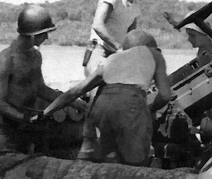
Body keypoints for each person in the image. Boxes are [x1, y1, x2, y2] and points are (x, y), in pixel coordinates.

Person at [43, 30, 172, 166]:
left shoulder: (110, 60)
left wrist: (46, 112)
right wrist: (147, 110)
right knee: (135, 165)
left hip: (100, 107)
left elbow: (77, 91)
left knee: (91, 161)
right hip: (131, 106)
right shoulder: (154, 55)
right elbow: (165, 95)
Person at [0, 4, 87, 153]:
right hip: (4, 132)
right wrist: (25, 117)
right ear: (33, 34)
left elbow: (40, 89)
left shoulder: (35, 56)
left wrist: (72, 101)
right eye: (44, 33)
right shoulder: (6, 58)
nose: (46, 37)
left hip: (25, 129)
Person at [78, 0, 150, 160]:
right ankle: (87, 147)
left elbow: (132, 35)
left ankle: (113, 149)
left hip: (117, 56)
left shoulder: (134, 6)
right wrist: (118, 48)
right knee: (96, 97)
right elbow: (98, 25)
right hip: (100, 51)